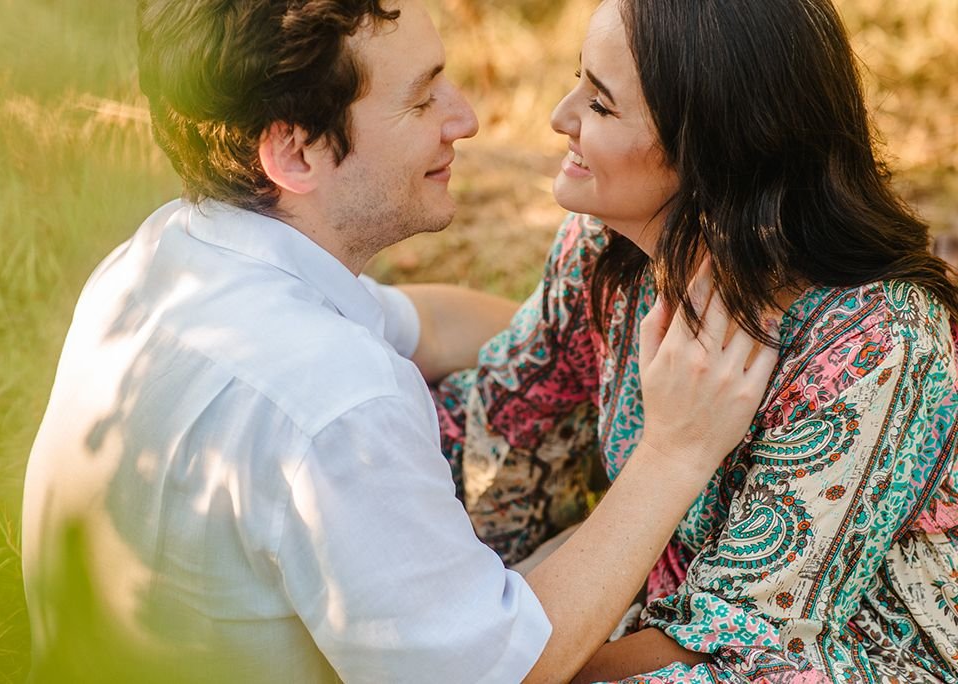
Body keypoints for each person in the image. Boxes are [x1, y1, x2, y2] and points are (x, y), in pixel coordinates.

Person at [20, 1, 779, 682]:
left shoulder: (167, 255)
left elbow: (427, 324)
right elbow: (505, 673)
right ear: (295, 153)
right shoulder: (339, 402)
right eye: (422, 98)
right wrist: (675, 449)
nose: (466, 118)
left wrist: (585, 333)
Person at [405, 0, 958, 681]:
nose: (559, 117)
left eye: (600, 104)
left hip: (842, 654)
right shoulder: (606, 248)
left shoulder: (876, 342)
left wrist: (505, 666)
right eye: (579, 81)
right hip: (664, 617)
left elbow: (746, 642)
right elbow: (505, 418)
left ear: (713, 149)